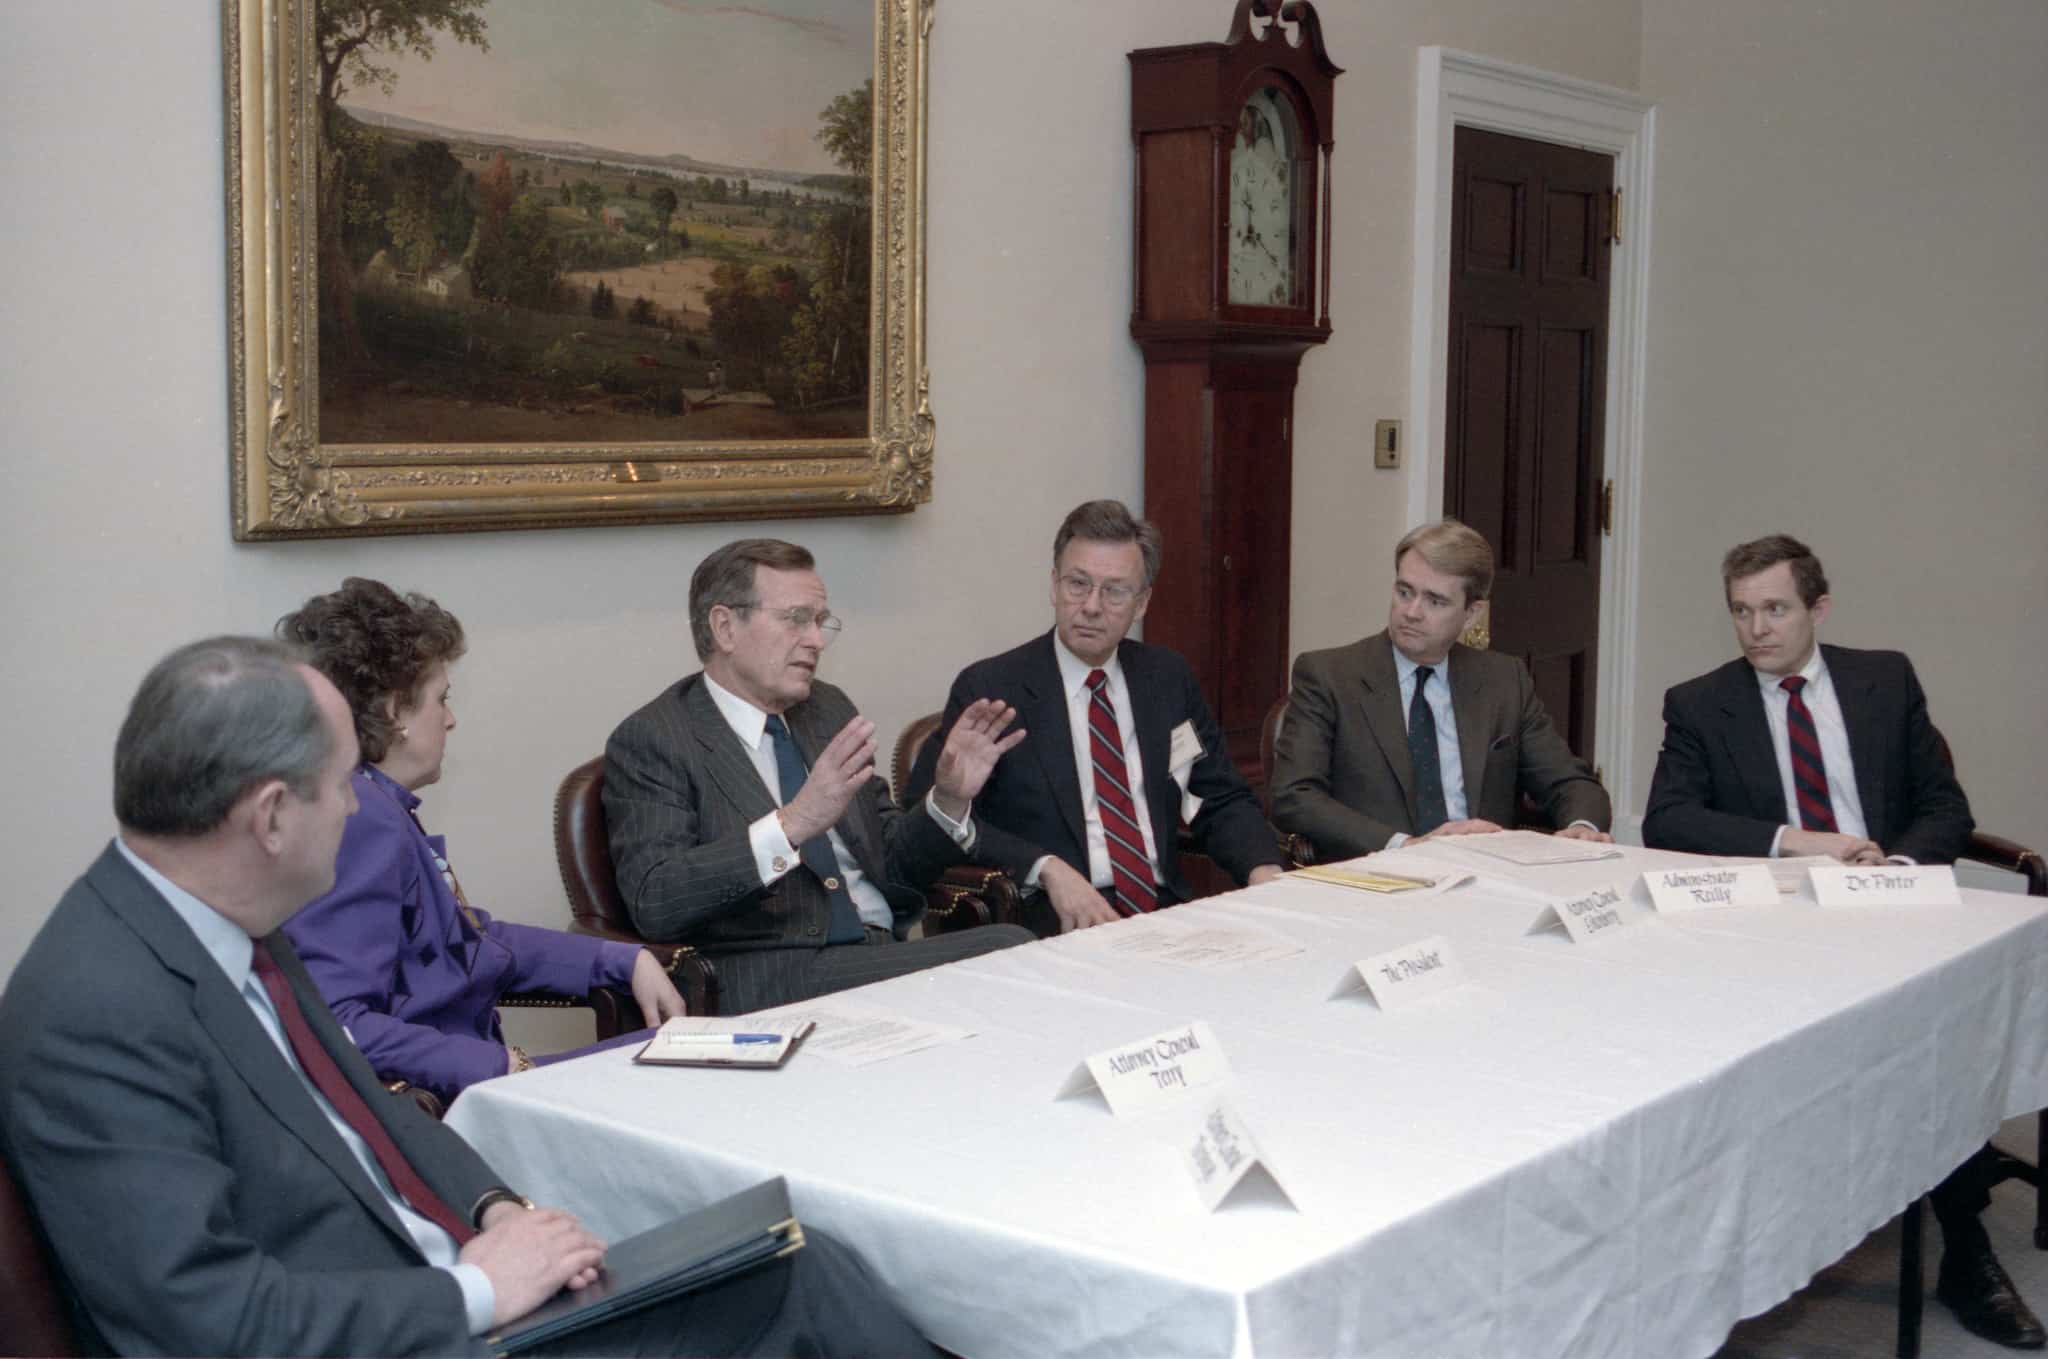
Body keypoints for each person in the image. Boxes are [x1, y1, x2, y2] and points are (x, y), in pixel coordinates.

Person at [0, 637, 936, 1357]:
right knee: (802, 1283)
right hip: (414, 1325)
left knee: (791, 1246)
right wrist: (476, 1291)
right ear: (271, 818)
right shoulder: (96, 1012)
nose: (360, 808)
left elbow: (370, 1110)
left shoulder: (222, 915)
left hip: (447, 1278)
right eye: (339, 788)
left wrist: (494, 1204)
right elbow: (207, 1318)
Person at [1640, 535, 2031, 1348]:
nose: (1756, 630)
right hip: (1773, 925)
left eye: (1775, 609)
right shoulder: (1700, 701)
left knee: (1935, 1045)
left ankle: (1967, 1249)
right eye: (1741, 612)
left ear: (1818, 607)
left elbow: (1944, 807)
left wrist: (1893, 863)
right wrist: (1796, 839)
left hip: (1888, 904)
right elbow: (1668, 819)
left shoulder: (1883, 679)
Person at [275, 579, 684, 1107]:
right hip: (453, 1101)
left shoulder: (375, 802)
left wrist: (619, 960)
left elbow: (465, 939)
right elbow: (338, 1022)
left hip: (479, 1076)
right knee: (689, 1068)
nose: (450, 718)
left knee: (682, 1052)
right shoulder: (359, 819)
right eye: (440, 699)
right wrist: (494, 1065)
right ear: (396, 712)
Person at [605, 539, 1035, 1012]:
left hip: (877, 953)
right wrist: (791, 826)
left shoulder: (826, 709)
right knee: (1006, 949)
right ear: (725, 627)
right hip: (771, 975)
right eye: (795, 619)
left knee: (1026, 956)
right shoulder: (655, 739)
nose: (816, 639)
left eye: (820, 621)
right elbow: (658, 899)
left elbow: (890, 861)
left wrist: (948, 799)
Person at [906, 500, 1285, 932]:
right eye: (1077, 584)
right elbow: (934, 815)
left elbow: (1216, 796)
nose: (1090, 606)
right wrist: (1043, 867)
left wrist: (1262, 869)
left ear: (1141, 603)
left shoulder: (1166, 679)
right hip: (1049, 918)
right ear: (1054, 585)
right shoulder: (992, 689)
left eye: (1114, 591)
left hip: (1162, 914)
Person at [1269, 519, 1612, 860]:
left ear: (1471, 614)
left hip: (1484, 877)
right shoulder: (1329, 676)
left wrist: (1582, 827)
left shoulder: (1503, 681)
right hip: (1376, 876)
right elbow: (1294, 795)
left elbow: (1570, 783)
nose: (1412, 612)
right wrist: (1404, 846)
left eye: (1435, 601)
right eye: (1404, 592)